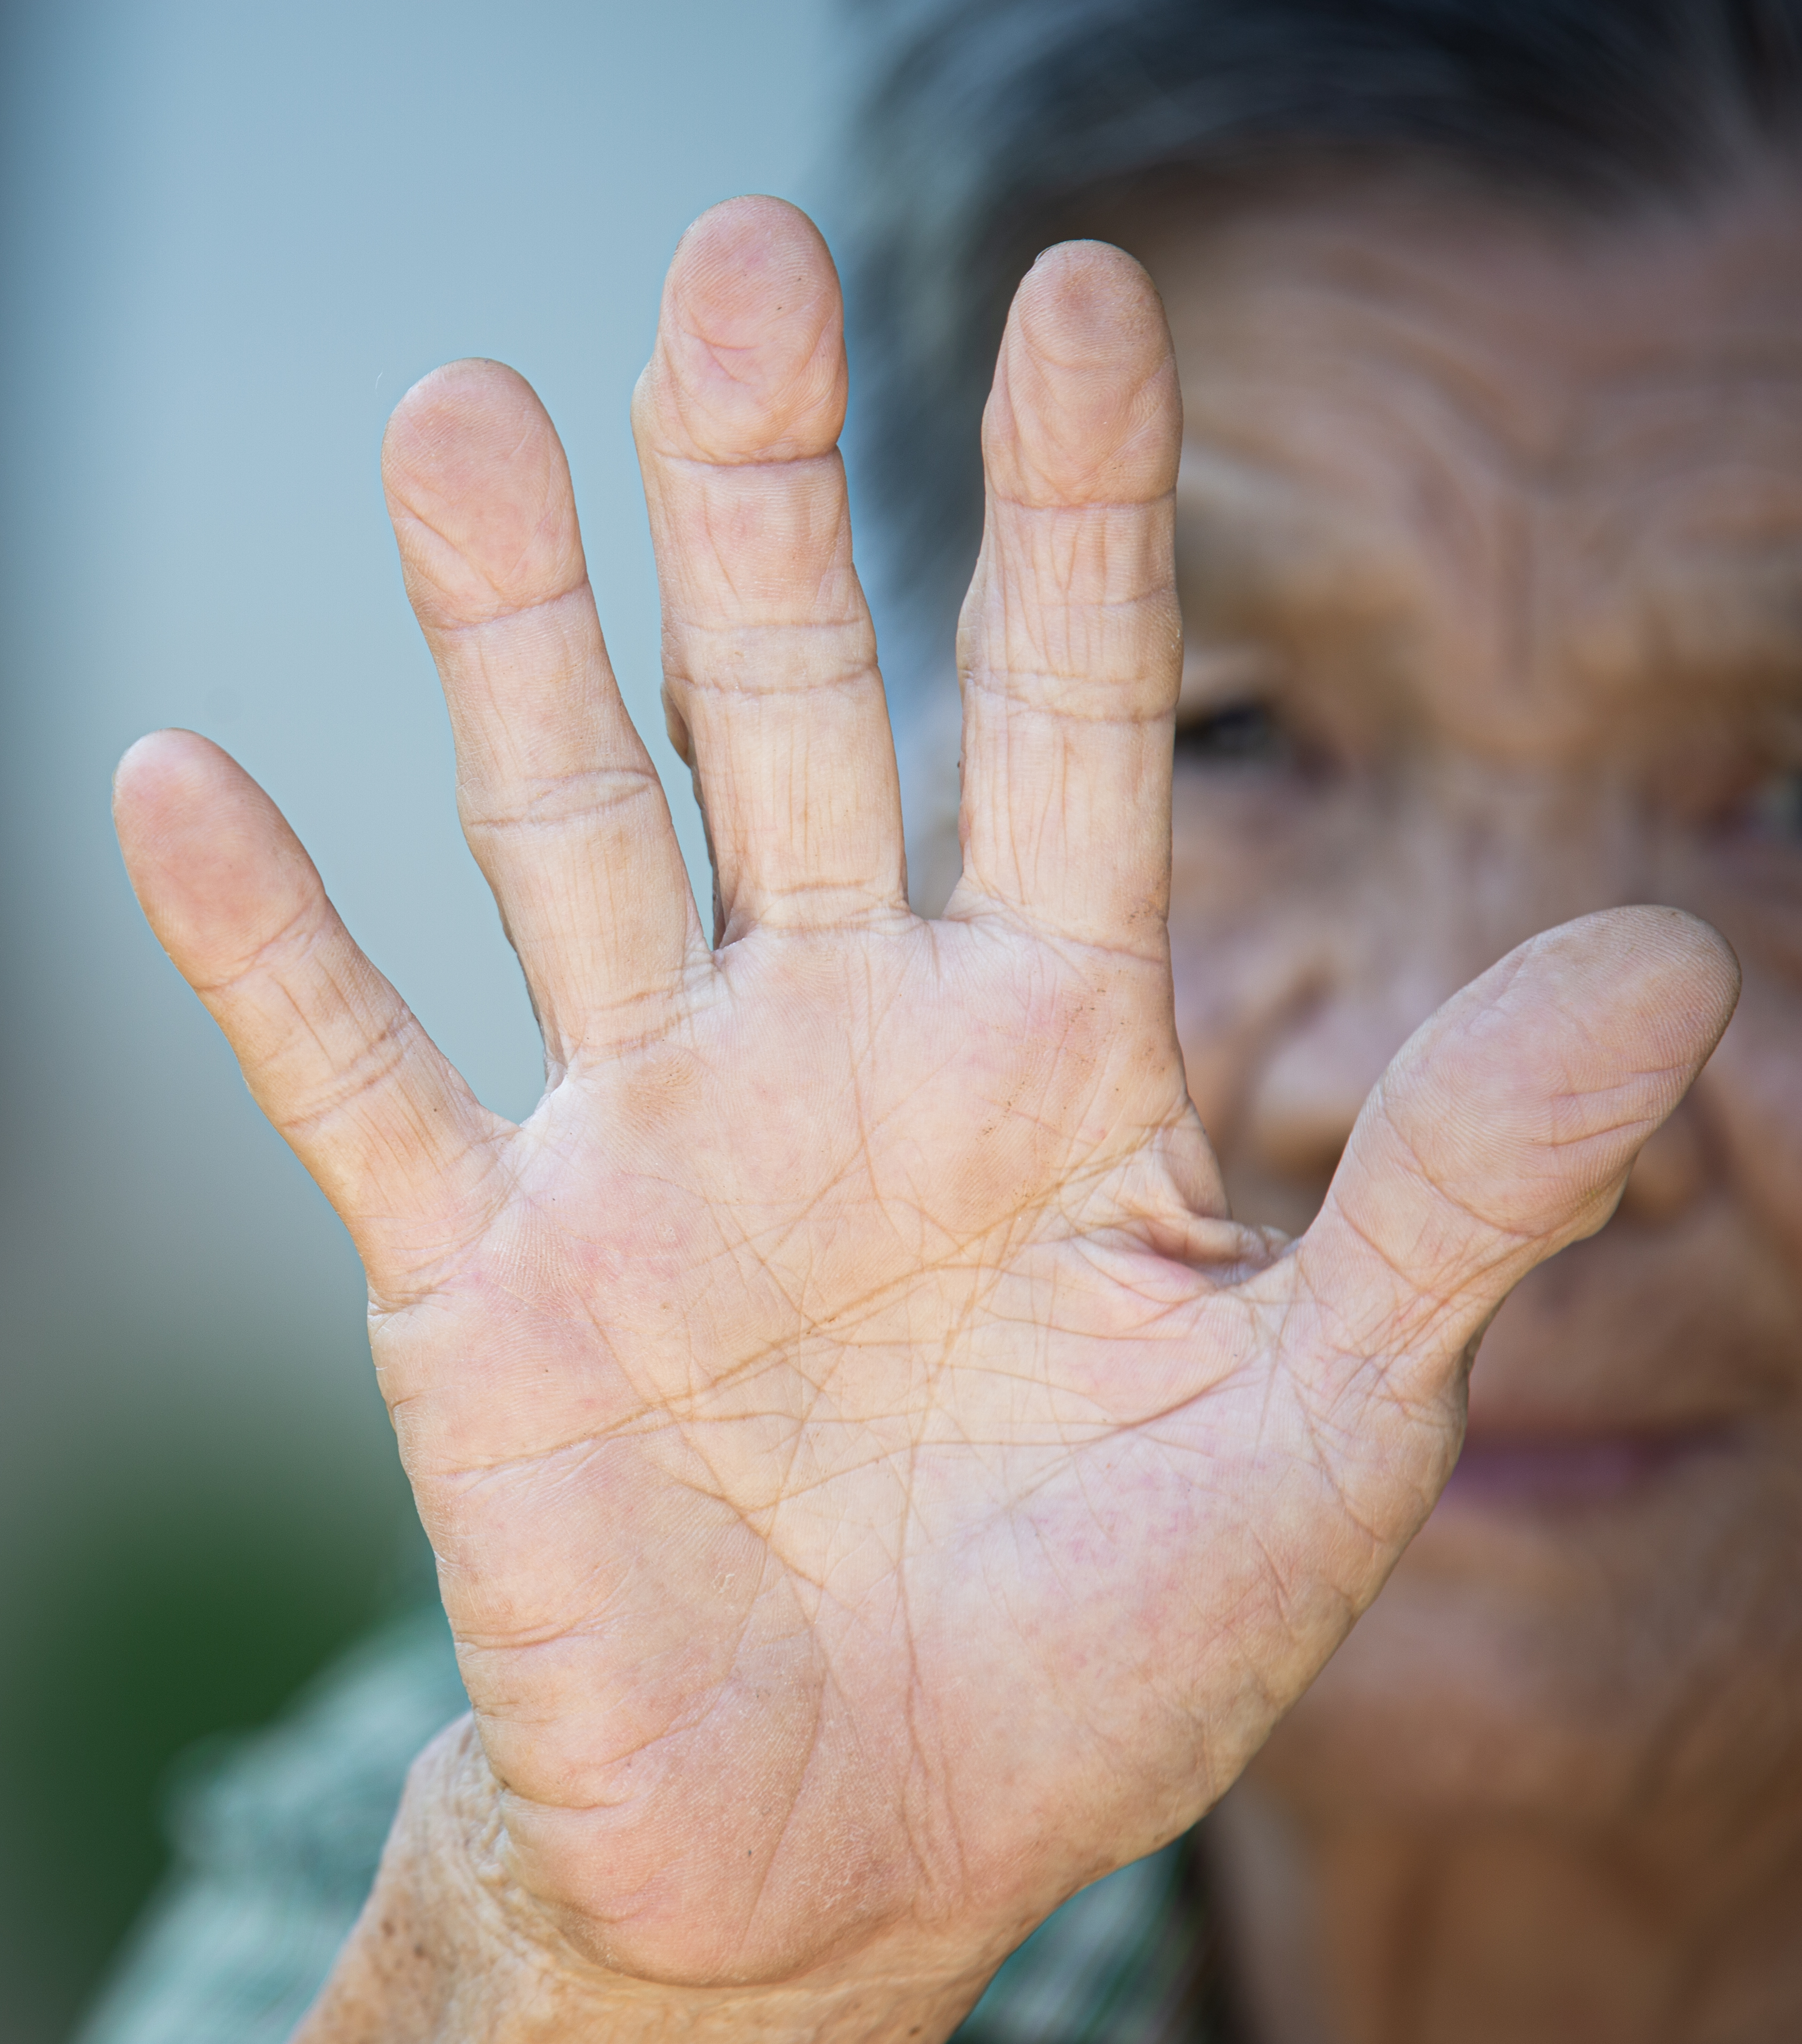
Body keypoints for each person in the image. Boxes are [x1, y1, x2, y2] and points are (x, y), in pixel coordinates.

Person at [87, 2, 1802, 2038]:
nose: (1459, 1089)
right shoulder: (628, 1758)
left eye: (1784, 794)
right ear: (921, 778)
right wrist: (674, 2000)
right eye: (1237, 735)